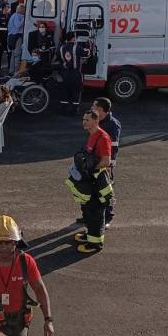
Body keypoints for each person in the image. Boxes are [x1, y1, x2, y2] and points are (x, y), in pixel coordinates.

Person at [70, 111, 113, 254]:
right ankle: (89, 234)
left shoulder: (103, 137)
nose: (84, 122)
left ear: (96, 121)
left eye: (87, 120)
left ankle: (95, 243)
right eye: (83, 119)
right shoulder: (92, 135)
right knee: (87, 209)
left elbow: (106, 161)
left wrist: (90, 171)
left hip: (97, 182)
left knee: (96, 212)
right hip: (89, 181)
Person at [91, 97, 121, 226]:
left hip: (104, 163)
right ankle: (92, 215)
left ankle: (108, 216)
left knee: (106, 190)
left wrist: (109, 165)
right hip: (94, 162)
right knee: (93, 190)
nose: (92, 108)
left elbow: (113, 147)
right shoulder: (97, 121)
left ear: (100, 109)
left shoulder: (112, 125)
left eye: (94, 106)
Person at [59, 31, 84, 116]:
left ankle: (63, 110)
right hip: (75, 73)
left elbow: (59, 58)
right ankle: (74, 110)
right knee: (76, 91)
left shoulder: (62, 47)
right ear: (74, 38)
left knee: (65, 91)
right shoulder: (77, 47)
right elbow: (87, 53)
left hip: (65, 73)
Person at [7, 2, 26, 76]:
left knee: (13, 54)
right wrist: (24, 18)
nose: (24, 11)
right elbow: (18, 25)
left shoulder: (13, 15)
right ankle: (16, 71)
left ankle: (11, 71)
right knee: (17, 54)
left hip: (11, 37)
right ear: (21, 10)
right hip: (17, 37)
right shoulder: (18, 16)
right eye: (24, 10)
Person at [0, 2, 10, 66]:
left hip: (8, 37)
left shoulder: (11, 16)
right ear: (4, 8)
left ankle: (9, 67)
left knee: (9, 53)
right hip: (1, 37)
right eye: (7, 7)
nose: (9, 8)